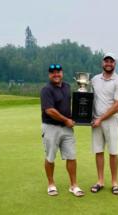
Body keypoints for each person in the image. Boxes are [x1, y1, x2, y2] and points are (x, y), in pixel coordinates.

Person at [40, 63, 84, 197]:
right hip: (51, 128)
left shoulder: (67, 87)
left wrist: (80, 118)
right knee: (50, 158)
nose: (56, 74)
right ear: (49, 75)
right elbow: (50, 110)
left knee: (72, 156)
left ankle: (74, 185)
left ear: (62, 73)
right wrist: (66, 120)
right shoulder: (46, 90)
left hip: (67, 129)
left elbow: (70, 106)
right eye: (53, 72)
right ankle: (51, 184)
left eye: (58, 72)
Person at [91, 53, 118, 195]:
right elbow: (87, 98)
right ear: (102, 63)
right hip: (96, 120)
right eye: (106, 61)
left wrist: (101, 118)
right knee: (99, 151)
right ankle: (100, 181)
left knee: (113, 152)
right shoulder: (94, 79)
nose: (108, 63)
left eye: (111, 61)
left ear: (115, 64)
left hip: (111, 121)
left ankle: (114, 183)